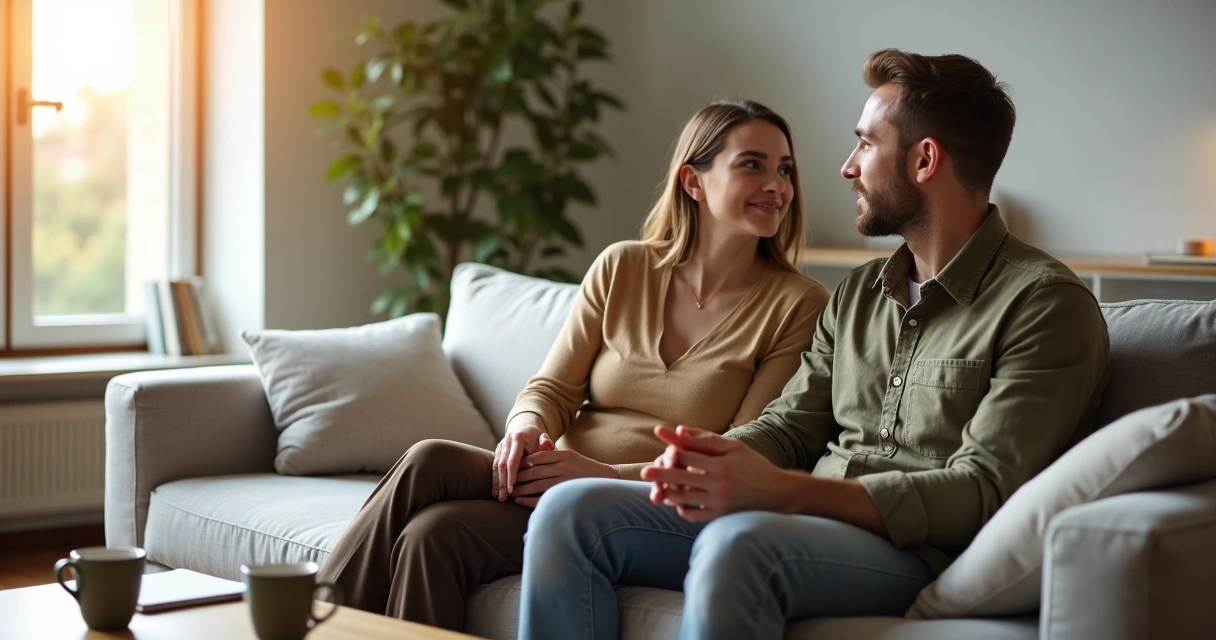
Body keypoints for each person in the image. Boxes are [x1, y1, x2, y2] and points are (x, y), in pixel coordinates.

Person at [517, 49, 1110, 640]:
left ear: (925, 159)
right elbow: (789, 428)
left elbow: (983, 489)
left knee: (737, 545)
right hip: (799, 517)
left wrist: (785, 491)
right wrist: (700, 461)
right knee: (571, 513)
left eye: (865, 144)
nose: (847, 167)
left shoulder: (1045, 304)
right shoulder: (858, 294)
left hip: (911, 551)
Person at [317, 99, 831, 631]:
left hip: (653, 509)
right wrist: (524, 427)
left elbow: (743, 450)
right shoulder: (623, 267)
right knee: (432, 526)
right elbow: (553, 389)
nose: (778, 185)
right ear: (692, 182)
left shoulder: (799, 304)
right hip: (556, 483)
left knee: (430, 469)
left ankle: (302, 619)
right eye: (753, 164)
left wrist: (604, 476)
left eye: (785, 169)